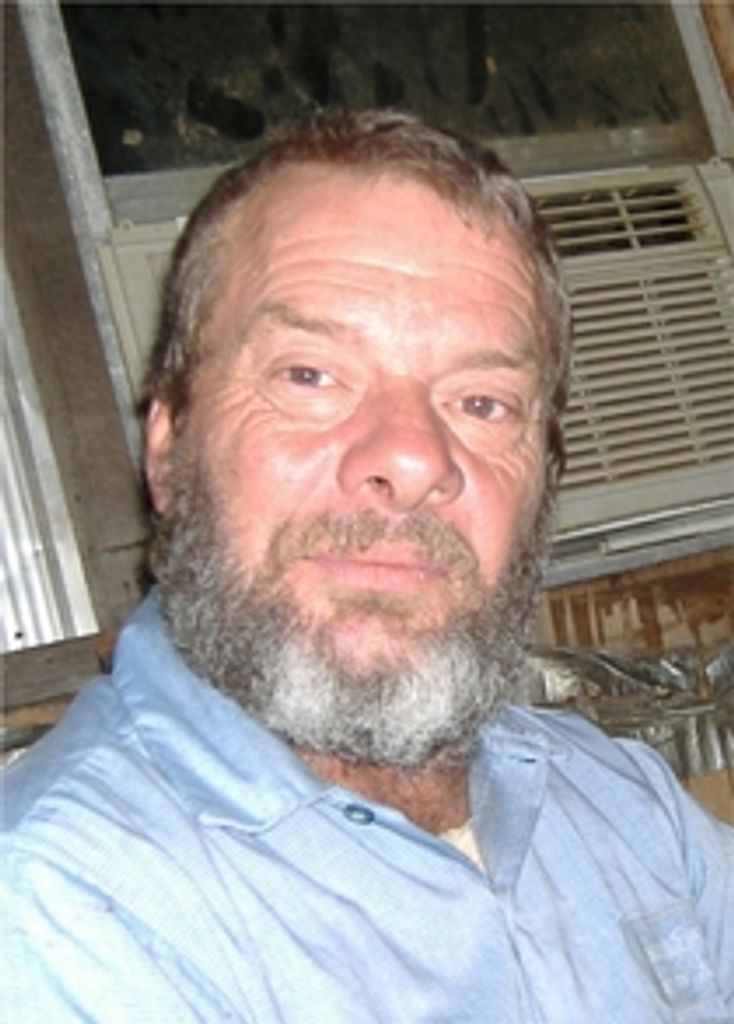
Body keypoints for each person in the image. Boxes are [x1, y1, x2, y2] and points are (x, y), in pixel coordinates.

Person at [2, 108, 732, 1023]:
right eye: (310, 376)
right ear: (168, 450)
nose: (413, 456)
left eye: (481, 402)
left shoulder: (620, 800)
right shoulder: (59, 912)